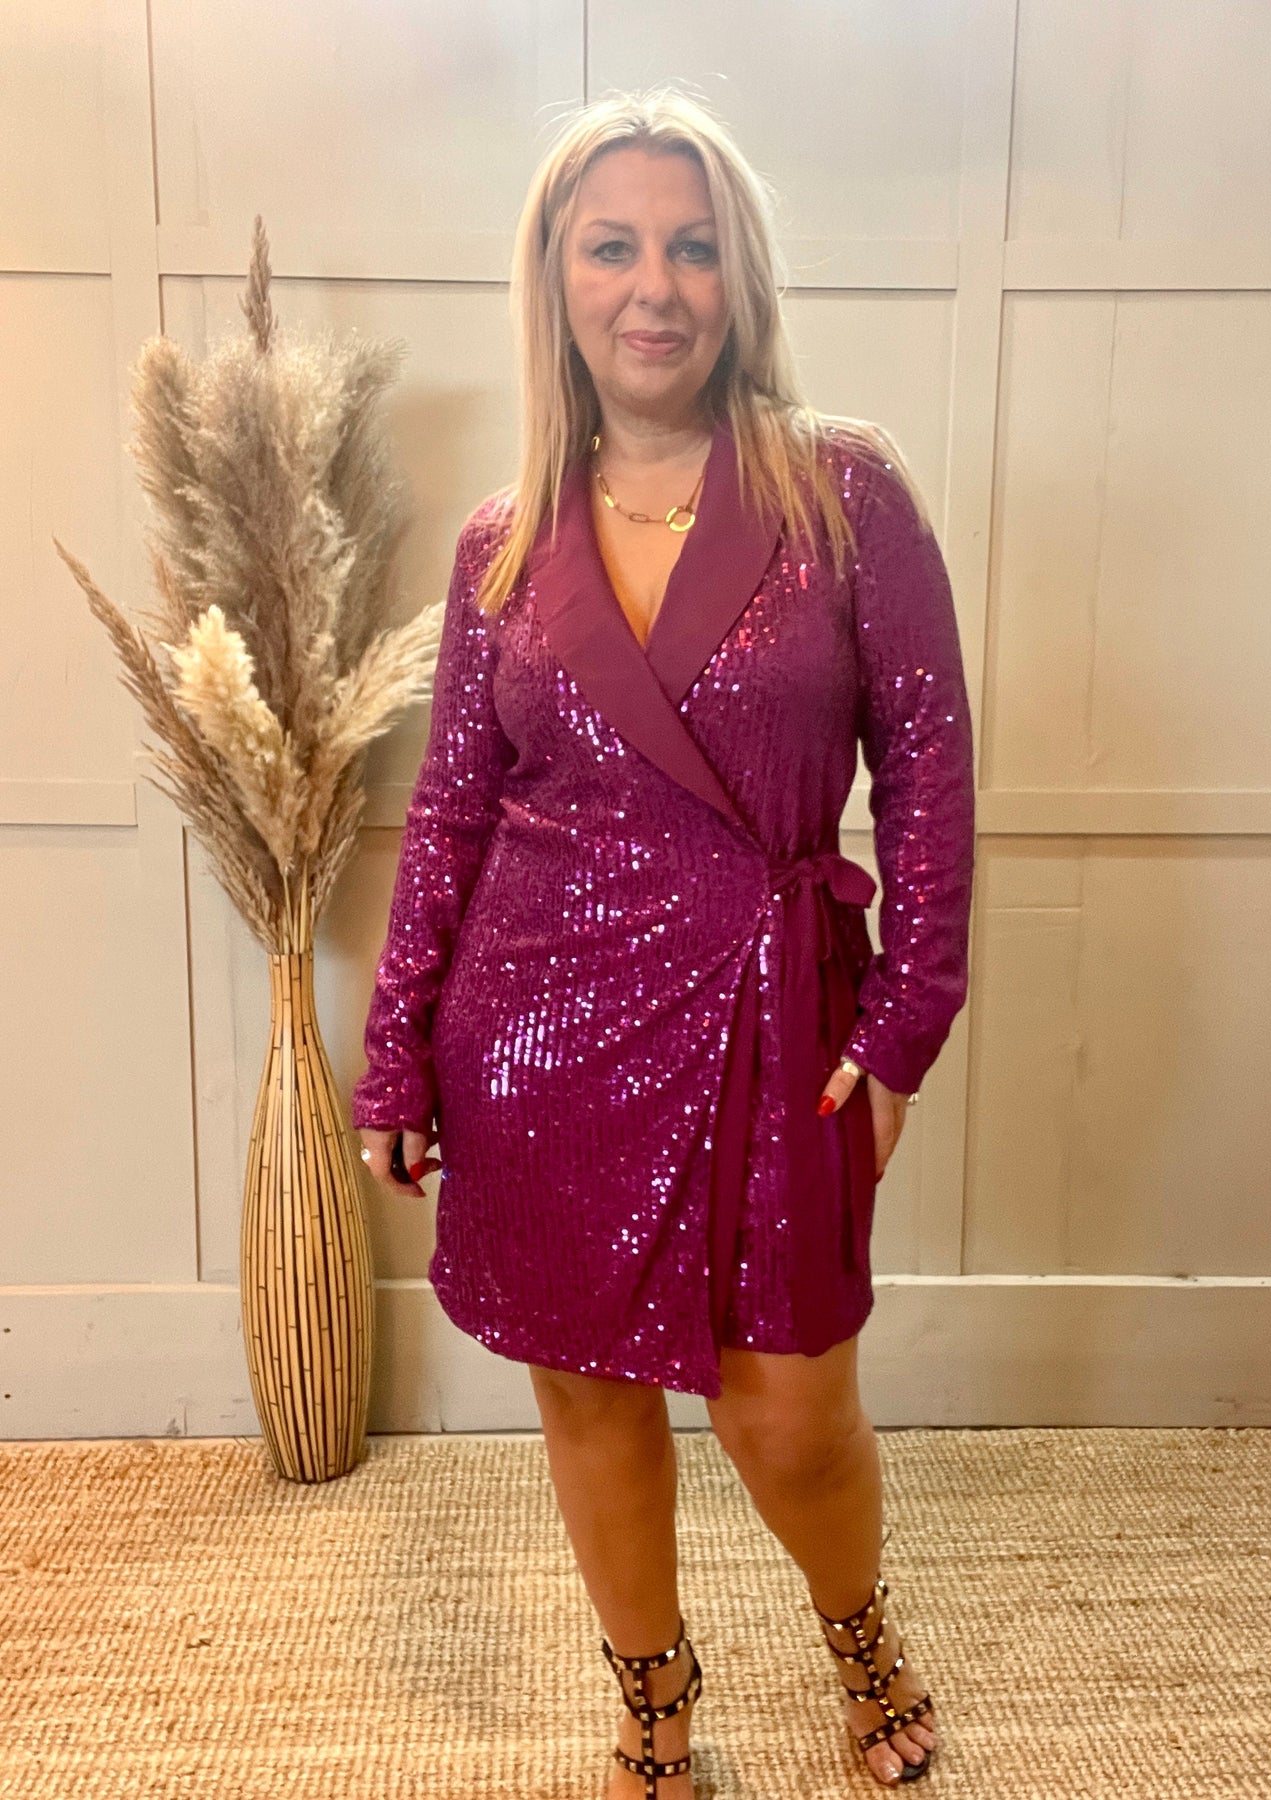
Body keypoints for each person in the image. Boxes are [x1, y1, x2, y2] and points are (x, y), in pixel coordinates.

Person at [351, 86, 975, 1796]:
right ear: (555, 280)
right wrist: (397, 1048)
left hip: (776, 1016)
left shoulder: (844, 491)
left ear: (737, 275)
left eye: (691, 248)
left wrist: (903, 1024)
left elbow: (926, 774)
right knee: (588, 1396)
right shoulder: (501, 542)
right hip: (535, 1034)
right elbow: (452, 812)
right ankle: (651, 1695)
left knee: (789, 1410)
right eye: (611, 247)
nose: (653, 287)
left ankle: (858, 1635)